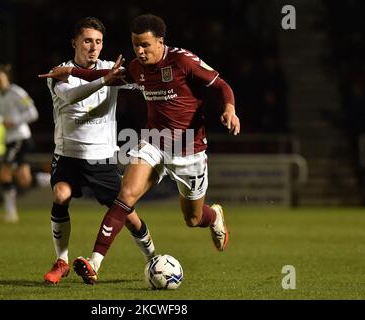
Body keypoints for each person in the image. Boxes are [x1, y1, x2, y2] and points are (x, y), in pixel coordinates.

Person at [39, 14, 240, 285]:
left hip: (188, 148)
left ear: (160, 41)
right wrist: (72, 71)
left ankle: (214, 216)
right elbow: (105, 75)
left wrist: (229, 108)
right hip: (155, 141)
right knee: (126, 195)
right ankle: (94, 262)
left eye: (145, 45)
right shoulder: (137, 67)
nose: (140, 52)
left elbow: (221, 85)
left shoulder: (182, 61)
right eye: (135, 45)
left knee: (193, 219)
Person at [42, 17, 156, 284]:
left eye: (98, 42)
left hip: (102, 157)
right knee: (61, 194)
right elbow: (72, 96)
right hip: (68, 155)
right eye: (87, 41)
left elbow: (141, 81)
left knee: (129, 217)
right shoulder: (60, 72)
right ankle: (61, 260)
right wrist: (105, 80)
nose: (93, 47)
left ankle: (153, 258)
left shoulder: (111, 69)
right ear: (74, 43)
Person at [0, 64, 39, 223]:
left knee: (4, 175)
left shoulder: (17, 92)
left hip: (20, 138)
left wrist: (15, 121)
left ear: (7, 78)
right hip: (10, 140)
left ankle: (11, 214)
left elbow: (33, 113)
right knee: (25, 180)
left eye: (0, 78)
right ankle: (59, 180)